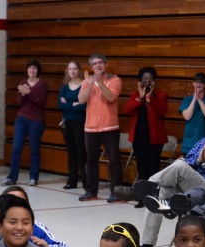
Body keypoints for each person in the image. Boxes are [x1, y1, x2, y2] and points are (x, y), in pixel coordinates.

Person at [117, 112, 205, 247]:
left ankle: (139, 190)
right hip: (188, 184)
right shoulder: (203, 142)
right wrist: (200, 160)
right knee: (156, 195)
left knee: (178, 166)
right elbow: (189, 163)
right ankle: (147, 246)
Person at [78, 53, 123, 203]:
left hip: (110, 127)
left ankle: (117, 192)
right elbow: (81, 99)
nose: (98, 65)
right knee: (91, 161)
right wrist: (91, 83)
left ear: (105, 64)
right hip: (90, 128)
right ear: (91, 67)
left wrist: (99, 83)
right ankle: (91, 191)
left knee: (114, 160)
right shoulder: (87, 81)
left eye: (100, 63)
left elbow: (111, 97)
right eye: (95, 64)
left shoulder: (114, 80)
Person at [4, 59, 47, 187]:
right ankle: (12, 177)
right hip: (21, 118)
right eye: (30, 68)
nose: (32, 70)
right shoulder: (23, 82)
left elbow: (41, 103)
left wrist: (29, 93)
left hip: (36, 120)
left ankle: (33, 177)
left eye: (34, 68)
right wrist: (23, 94)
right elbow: (20, 103)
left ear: (37, 70)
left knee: (34, 149)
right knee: (16, 148)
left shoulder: (42, 84)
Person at [124, 67, 168, 182]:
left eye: (150, 78)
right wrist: (140, 98)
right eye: (144, 78)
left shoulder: (160, 95)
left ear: (154, 81)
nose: (147, 81)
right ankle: (142, 194)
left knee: (153, 166)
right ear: (140, 81)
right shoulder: (135, 95)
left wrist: (151, 97)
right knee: (141, 167)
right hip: (138, 137)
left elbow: (162, 112)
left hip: (155, 138)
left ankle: (153, 194)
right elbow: (127, 110)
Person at [58, 61, 87, 190]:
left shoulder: (84, 85)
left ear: (79, 70)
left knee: (81, 152)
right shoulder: (64, 87)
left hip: (80, 122)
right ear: (67, 71)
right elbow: (60, 104)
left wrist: (69, 104)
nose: (73, 71)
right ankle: (72, 180)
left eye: (75, 68)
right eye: (70, 69)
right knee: (71, 152)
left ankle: (86, 181)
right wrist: (74, 104)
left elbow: (85, 105)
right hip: (67, 122)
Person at [179, 72, 205, 155]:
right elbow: (187, 117)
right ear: (193, 83)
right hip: (189, 143)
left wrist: (199, 100)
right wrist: (194, 99)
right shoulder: (187, 99)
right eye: (196, 82)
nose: (198, 84)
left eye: (201, 82)